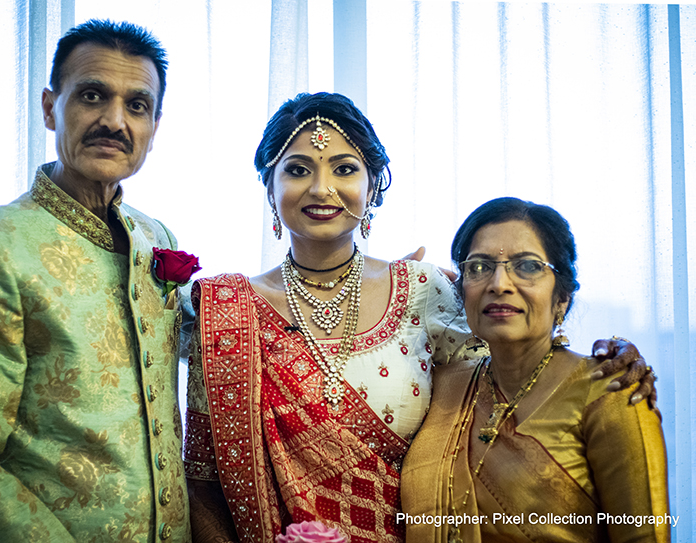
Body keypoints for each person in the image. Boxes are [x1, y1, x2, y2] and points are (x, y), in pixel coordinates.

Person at [183, 92, 649, 543]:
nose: (321, 188)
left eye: (344, 169)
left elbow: (513, 374)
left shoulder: (422, 291)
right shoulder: (226, 310)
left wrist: (611, 362)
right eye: (298, 169)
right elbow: (203, 481)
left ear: (373, 186)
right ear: (270, 186)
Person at [0, 20, 191, 542]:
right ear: (50, 107)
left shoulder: (157, 237)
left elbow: (212, 343)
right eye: (92, 95)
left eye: (137, 105)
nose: (115, 121)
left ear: (154, 126)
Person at [401, 197, 669, 542]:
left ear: (562, 297)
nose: (498, 283)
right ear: (461, 292)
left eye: (527, 266)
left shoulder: (609, 391)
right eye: (479, 267)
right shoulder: (443, 386)